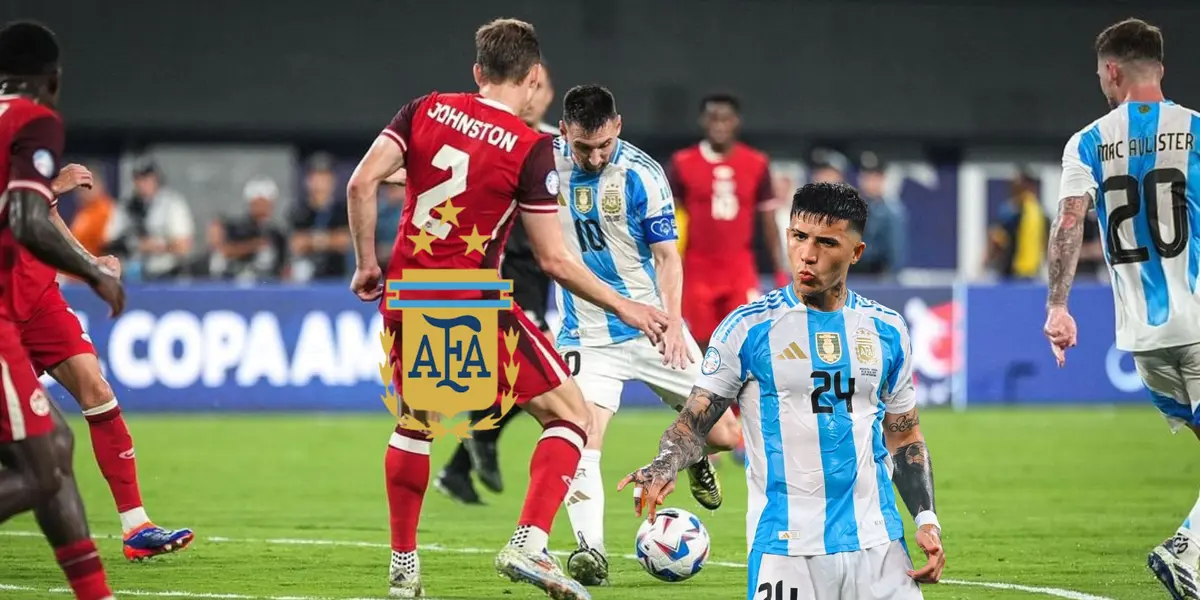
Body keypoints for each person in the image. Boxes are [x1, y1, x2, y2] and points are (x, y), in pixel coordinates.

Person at [344, 18, 669, 600]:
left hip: (408, 292)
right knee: (571, 417)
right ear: (535, 77)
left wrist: (367, 263)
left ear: (477, 73)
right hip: (471, 298)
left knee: (417, 423)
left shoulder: (424, 109)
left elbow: (361, 183)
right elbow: (555, 262)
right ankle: (528, 544)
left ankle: (403, 570)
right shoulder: (530, 147)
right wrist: (631, 308)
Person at [620, 182, 946, 600]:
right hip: (785, 548)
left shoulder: (887, 330)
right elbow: (694, 421)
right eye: (798, 237)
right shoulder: (747, 329)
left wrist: (926, 519)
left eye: (827, 243)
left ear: (856, 253)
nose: (807, 254)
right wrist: (666, 463)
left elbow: (904, 437)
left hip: (879, 545)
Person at [1, 27, 195, 563]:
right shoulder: (29, 123)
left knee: (94, 385)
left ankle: (136, 527)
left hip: (38, 294)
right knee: (36, 448)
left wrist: (87, 264)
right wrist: (55, 186)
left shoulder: (22, 127)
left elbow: (40, 213)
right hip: (2, 303)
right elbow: (25, 207)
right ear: (51, 77)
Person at [540, 84, 741, 586]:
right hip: (586, 335)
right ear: (564, 131)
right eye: (584, 146)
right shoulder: (540, 161)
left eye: (604, 144)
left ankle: (689, 457)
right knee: (580, 437)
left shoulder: (643, 175)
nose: (595, 155)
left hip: (653, 328)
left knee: (727, 434)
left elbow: (668, 257)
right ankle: (591, 551)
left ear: (619, 127)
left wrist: (673, 322)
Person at [1042, 17, 1200, 599]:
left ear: (1112, 71)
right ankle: (1188, 550)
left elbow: (1068, 222)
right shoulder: (1198, 131)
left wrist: (1058, 307)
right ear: (1159, 66)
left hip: (1142, 338)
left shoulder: (1086, 141)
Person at [0, 20, 129, 600]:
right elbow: (27, 219)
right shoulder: (32, 122)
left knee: (55, 448)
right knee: (42, 466)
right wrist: (93, 272)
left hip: (22, 301)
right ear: (51, 79)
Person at [434, 62, 558, 505]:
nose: (535, 93)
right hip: (506, 266)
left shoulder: (553, 144)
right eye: (532, 83)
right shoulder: (491, 135)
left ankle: (459, 465)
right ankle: (475, 442)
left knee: (517, 369)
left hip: (539, 272)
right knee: (532, 373)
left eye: (542, 87)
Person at [669, 93, 786, 350]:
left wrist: (780, 269)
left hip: (738, 267)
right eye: (713, 119)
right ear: (703, 121)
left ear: (737, 122)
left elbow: (768, 220)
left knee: (743, 341)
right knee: (701, 344)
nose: (719, 125)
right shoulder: (682, 163)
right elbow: (671, 219)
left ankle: (741, 391)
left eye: (726, 119)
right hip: (697, 267)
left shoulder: (756, 163)